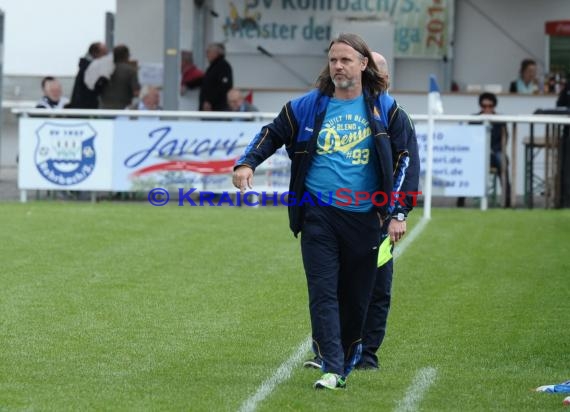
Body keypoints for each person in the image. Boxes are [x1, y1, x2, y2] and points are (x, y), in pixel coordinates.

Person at [233, 33, 416, 390]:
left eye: (346, 60)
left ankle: (350, 355)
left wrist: (398, 212)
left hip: (366, 217)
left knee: (356, 296)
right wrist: (247, 162)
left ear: (363, 64)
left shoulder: (386, 109)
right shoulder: (308, 106)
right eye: (333, 60)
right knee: (323, 290)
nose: (338, 66)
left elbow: (406, 160)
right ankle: (331, 366)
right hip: (318, 214)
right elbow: (272, 133)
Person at [303, 51, 419, 372]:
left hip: (378, 218)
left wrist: (398, 213)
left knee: (377, 286)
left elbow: (408, 168)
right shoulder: (337, 110)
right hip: (340, 215)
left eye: (379, 75)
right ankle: (328, 351)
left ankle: (366, 354)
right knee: (330, 283)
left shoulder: (394, 116)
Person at [457, 92, 511, 207]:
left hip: (495, 153)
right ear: (480, 106)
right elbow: (469, 139)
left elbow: (505, 139)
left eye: (490, 106)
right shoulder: (474, 119)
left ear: (494, 106)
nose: (487, 109)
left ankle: (507, 201)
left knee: (502, 161)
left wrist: (493, 150)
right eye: (484, 106)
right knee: (465, 164)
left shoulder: (500, 120)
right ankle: (460, 200)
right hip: (477, 153)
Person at [67, 42, 108, 108]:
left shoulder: (86, 66)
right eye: (104, 53)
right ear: (96, 54)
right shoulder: (90, 69)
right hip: (85, 109)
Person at [100, 44, 141, 109]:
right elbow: (136, 92)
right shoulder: (130, 70)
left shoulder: (105, 69)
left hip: (104, 107)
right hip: (123, 108)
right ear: (126, 55)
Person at [199, 43, 233, 111]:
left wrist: (209, 101)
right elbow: (205, 81)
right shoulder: (213, 67)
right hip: (210, 107)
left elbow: (224, 87)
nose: (207, 55)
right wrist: (189, 84)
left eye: (208, 52)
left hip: (217, 108)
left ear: (216, 53)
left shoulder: (223, 66)